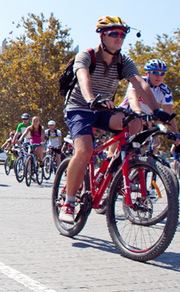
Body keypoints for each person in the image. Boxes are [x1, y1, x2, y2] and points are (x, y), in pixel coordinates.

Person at [59, 16, 170, 223]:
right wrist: (91, 99)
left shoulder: (123, 61)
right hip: (80, 108)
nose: (119, 38)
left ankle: (116, 167)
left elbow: (140, 84)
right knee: (85, 151)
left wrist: (157, 110)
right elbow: (83, 78)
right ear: (102, 36)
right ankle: (69, 202)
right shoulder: (86, 56)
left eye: (122, 34)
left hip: (104, 109)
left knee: (135, 122)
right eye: (113, 34)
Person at [120, 58, 180, 155]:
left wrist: (176, 134)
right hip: (127, 114)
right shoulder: (138, 82)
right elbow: (133, 99)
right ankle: (112, 156)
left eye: (162, 73)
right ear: (147, 73)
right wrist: (138, 113)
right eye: (155, 72)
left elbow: (169, 114)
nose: (159, 76)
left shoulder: (165, 90)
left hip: (145, 119)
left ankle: (140, 161)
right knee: (121, 144)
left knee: (156, 142)